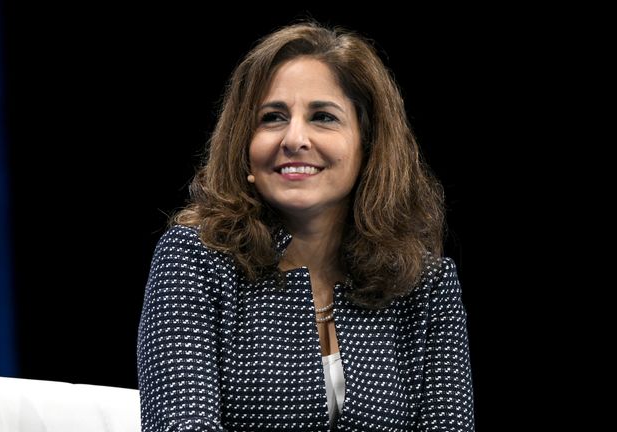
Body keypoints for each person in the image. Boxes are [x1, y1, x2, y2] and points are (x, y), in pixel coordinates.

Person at [137, 20, 474, 431]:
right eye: (273, 117)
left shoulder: (426, 285)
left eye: (323, 117)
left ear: (369, 146)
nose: (294, 138)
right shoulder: (193, 261)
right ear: (245, 149)